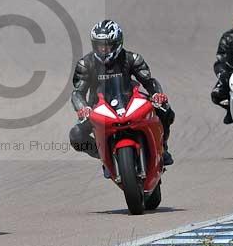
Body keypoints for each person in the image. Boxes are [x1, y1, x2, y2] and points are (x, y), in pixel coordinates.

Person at [69, 19, 175, 169]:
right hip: (98, 108)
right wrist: (83, 107)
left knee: (166, 111)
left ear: (118, 42)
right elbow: (78, 92)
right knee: (76, 136)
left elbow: (149, 81)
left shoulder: (132, 58)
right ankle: (104, 156)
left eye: (107, 45)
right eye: (99, 45)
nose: (103, 49)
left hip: (130, 100)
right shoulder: (85, 64)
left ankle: (163, 148)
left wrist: (157, 95)